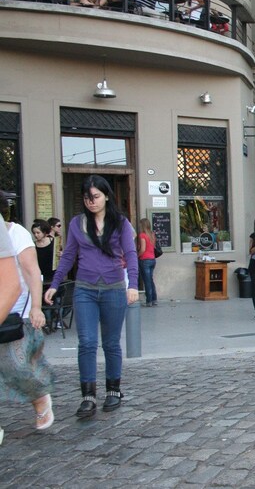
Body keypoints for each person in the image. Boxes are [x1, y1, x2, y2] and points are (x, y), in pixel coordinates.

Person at [44, 175, 139, 418]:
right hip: (84, 289)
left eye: (96, 197)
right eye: (87, 198)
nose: (91, 202)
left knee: (110, 343)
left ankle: (113, 391)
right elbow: (68, 256)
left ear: (106, 196)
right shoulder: (76, 224)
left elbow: (131, 253)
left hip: (114, 289)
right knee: (86, 342)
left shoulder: (120, 223)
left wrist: (133, 285)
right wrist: (55, 283)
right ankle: (87, 396)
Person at [1, 216, 55, 437]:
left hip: (15, 310)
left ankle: (39, 397)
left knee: (15, 366)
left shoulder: (17, 234)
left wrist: (36, 307)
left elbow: (33, 273)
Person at [136, 218, 158, 307]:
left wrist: (136, 255)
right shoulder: (152, 234)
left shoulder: (142, 235)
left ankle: (149, 301)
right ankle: (154, 299)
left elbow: (143, 249)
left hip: (145, 260)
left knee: (147, 281)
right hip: (152, 259)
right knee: (150, 280)